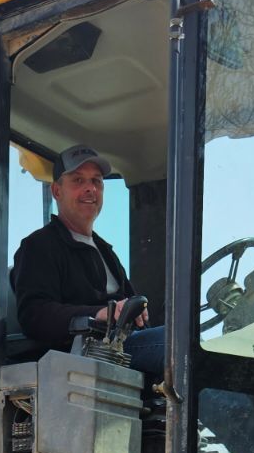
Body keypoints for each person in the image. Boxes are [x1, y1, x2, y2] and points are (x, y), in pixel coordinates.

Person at [12, 145, 165, 376]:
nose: (90, 189)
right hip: (84, 356)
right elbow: (35, 315)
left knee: (189, 341)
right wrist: (102, 313)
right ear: (56, 191)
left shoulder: (105, 252)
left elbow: (133, 309)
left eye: (96, 181)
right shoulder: (39, 246)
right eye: (78, 180)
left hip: (122, 349)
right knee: (176, 344)